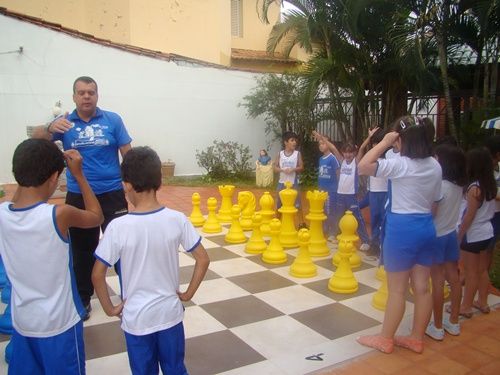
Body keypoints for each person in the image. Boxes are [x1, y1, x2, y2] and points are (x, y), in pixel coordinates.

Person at [91, 146, 210, 375]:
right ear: (160, 181)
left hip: (136, 319)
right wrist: (188, 294)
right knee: (175, 369)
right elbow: (203, 260)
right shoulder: (177, 219)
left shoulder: (117, 227)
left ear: (126, 184)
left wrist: (109, 309)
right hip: (170, 315)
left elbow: (97, 274)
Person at [0, 139, 103, 374]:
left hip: (23, 321)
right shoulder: (59, 214)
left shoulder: (3, 213)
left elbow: (17, 200)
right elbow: (96, 216)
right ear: (54, 178)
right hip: (60, 324)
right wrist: (79, 175)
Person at [36, 76, 132, 319]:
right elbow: (34, 142)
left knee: (122, 246)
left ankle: (131, 293)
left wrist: (134, 187)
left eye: (91, 92)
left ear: (97, 95)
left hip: (112, 194)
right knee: (81, 250)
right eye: (82, 92)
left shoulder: (113, 120)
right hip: (79, 196)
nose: (87, 96)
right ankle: (83, 298)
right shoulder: (64, 124)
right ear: (74, 97)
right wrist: (49, 128)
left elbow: (128, 155)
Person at [357, 116, 442, 354]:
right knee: (422, 287)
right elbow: (436, 202)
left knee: (397, 289)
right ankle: (416, 338)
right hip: (426, 226)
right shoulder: (435, 165)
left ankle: (386, 338)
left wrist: (383, 142)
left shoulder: (401, 165)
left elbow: (363, 166)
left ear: (402, 139)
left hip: (402, 228)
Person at [425, 144, 466, 341]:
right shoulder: (459, 186)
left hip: (437, 236)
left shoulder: (440, 186)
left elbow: (432, 212)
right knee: (454, 279)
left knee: (438, 281)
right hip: (450, 234)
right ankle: (454, 322)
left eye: (437, 157)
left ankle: (438, 326)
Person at [314, 130, 375, 249]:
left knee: (358, 218)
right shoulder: (341, 161)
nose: (348, 155)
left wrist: (369, 137)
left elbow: (362, 148)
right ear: (343, 153)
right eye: (346, 153)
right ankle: (336, 236)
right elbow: (332, 147)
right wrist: (321, 137)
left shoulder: (356, 162)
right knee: (338, 216)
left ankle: (365, 241)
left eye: (351, 153)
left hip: (352, 196)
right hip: (340, 195)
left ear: (354, 153)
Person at [457, 147, 496, 318]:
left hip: (473, 234)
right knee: (481, 270)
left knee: (471, 272)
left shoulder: (474, 189)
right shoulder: (489, 185)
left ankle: (465, 306)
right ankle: (483, 301)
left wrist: (459, 235)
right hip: (487, 232)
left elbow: (469, 216)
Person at [312, 132, 340, 237]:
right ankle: (324, 228)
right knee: (322, 210)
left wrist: (338, 188)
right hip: (321, 190)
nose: (321, 145)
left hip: (331, 190)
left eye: (323, 143)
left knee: (331, 210)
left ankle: (333, 231)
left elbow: (338, 173)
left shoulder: (332, 158)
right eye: (319, 144)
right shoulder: (320, 159)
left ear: (328, 144)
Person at [274, 131, 305, 224]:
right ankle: (277, 223)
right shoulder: (280, 154)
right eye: (292, 140)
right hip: (282, 183)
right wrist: (282, 170)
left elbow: (301, 167)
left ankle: (301, 224)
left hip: (293, 183)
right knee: (279, 204)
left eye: (295, 140)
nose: (294, 142)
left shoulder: (297, 154)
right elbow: (275, 168)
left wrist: (293, 169)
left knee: (297, 204)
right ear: (285, 142)